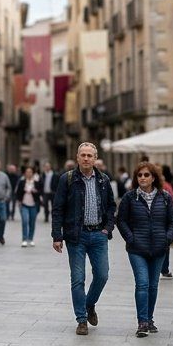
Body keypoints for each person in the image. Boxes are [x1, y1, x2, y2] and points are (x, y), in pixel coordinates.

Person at [52, 142, 117, 335]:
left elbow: (112, 207)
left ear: (95, 158)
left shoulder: (104, 180)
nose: (86, 158)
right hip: (76, 236)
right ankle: (81, 319)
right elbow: (58, 208)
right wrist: (57, 235)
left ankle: (89, 304)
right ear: (78, 157)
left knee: (102, 275)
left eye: (90, 155)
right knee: (78, 279)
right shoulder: (68, 179)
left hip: (99, 235)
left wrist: (107, 228)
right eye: (83, 155)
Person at [117, 162, 173, 337]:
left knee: (153, 285)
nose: (143, 178)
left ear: (154, 178)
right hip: (137, 249)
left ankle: (150, 319)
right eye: (140, 175)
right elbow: (121, 221)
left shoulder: (165, 197)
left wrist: (167, 238)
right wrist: (130, 238)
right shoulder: (130, 198)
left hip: (159, 248)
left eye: (146, 175)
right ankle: (142, 321)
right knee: (142, 283)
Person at [17, 165, 41, 247]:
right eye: (27, 172)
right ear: (24, 173)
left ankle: (30, 239)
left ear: (33, 173)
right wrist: (23, 191)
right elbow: (17, 193)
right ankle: (24, 239)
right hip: (24, 205)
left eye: (30, 172)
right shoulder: (22, 182)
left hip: (33, 205)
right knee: (25, 221)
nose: (28, 173)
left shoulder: (36, 182)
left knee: (32, 222)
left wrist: (35, 191)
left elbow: (40, 193)